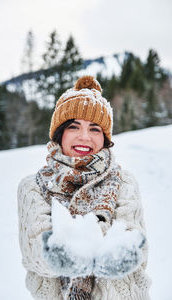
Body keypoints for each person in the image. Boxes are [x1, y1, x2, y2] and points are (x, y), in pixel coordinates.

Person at [17, 75, 151, 300]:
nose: (84, 137)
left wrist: (120, 255)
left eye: (95, 129)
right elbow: (35, 250)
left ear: (105, 138)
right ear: (60, 134)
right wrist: (71, 255)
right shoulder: (34, 187)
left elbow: (133, 241)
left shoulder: (123, 181)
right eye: (74, 126)